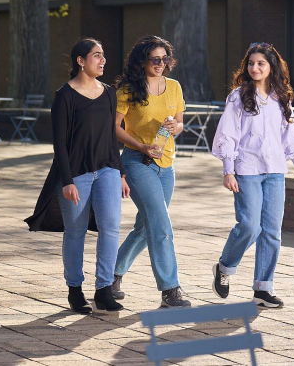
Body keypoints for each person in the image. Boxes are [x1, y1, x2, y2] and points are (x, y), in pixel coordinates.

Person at [25, 38, 129, 313]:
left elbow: (110, 137)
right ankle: (75, 290)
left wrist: (120, 173)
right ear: (81, 61)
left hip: (107, 169)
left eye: (103, 55)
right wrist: (68, 181)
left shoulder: (109, 93)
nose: (103, 60)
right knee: (76, 231)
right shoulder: (65, 96)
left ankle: (104, 289)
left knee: (111, 228)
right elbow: (59, 144)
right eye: (97, 55)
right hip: (76, 174)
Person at [211, 43, 294, 309]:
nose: (255, 68)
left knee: (272, 232)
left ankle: (263, 289)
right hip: (247, 170)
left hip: (276, 171)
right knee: (250, 226)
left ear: (271, 67)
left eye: (261, 64)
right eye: (251, 63)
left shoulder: (281, 97)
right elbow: (228, 134)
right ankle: (225, 266)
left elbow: (291, 136)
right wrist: (228, 169)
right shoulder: (238, 96)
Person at [112, 35, 191, 308]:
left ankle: (112, 274)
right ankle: (171, 289)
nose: (160, 64)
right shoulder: (127, 90)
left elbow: (180, 123)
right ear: (143, 61)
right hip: (137, 162)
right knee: (161, 222)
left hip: (166, 164)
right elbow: (115, 128)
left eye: (164, 59)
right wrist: (141, 146)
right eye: (154, 59)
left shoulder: (175, 87)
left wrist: (174, 128)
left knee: (147, 226)